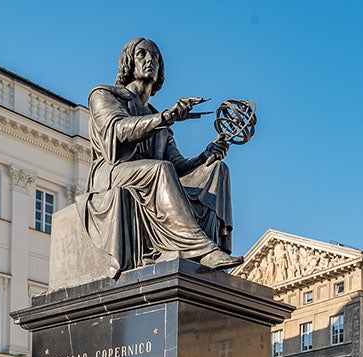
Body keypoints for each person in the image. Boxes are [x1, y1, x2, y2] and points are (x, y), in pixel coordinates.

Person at [77, 37, 242, 274]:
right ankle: (202, 250)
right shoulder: (104, 95)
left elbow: (178, 165)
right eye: (142, 54)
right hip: (113, 171)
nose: (149, 60)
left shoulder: (159, 118)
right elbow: (119, 131)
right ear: (128, 62)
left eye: (155, 57)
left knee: (217, 169)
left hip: (150, 174)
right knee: (159, 168)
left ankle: (213, 252)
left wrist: (205, 156)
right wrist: (167, 117)